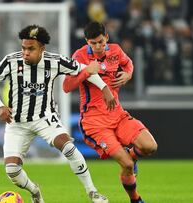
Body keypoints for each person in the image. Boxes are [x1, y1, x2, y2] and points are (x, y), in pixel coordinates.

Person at [0, 24, 112, 203]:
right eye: (23, 48)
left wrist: (105, 88)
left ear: (42, 49)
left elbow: (87, 70)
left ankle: (93, 192)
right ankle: (34, 191)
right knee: (12, 170)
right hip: (17, 122)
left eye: (31, 49)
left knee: (67, 146)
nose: (25, 52)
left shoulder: (54, 61)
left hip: (45, 118)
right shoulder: (11, 61)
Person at [63, 21, 158, 203]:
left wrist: (128, 74)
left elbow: (128, 62)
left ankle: (131, 155)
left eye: (100, 41)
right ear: (86, 41)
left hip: (118, 114)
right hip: (95, 122)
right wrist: (85, 72)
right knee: (127, 165)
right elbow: (67, 86)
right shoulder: (79, 56)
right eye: (93, 43)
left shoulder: (115, 50)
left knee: (149, 146)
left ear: (106, 37)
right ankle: (136, 199)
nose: (98, 46)